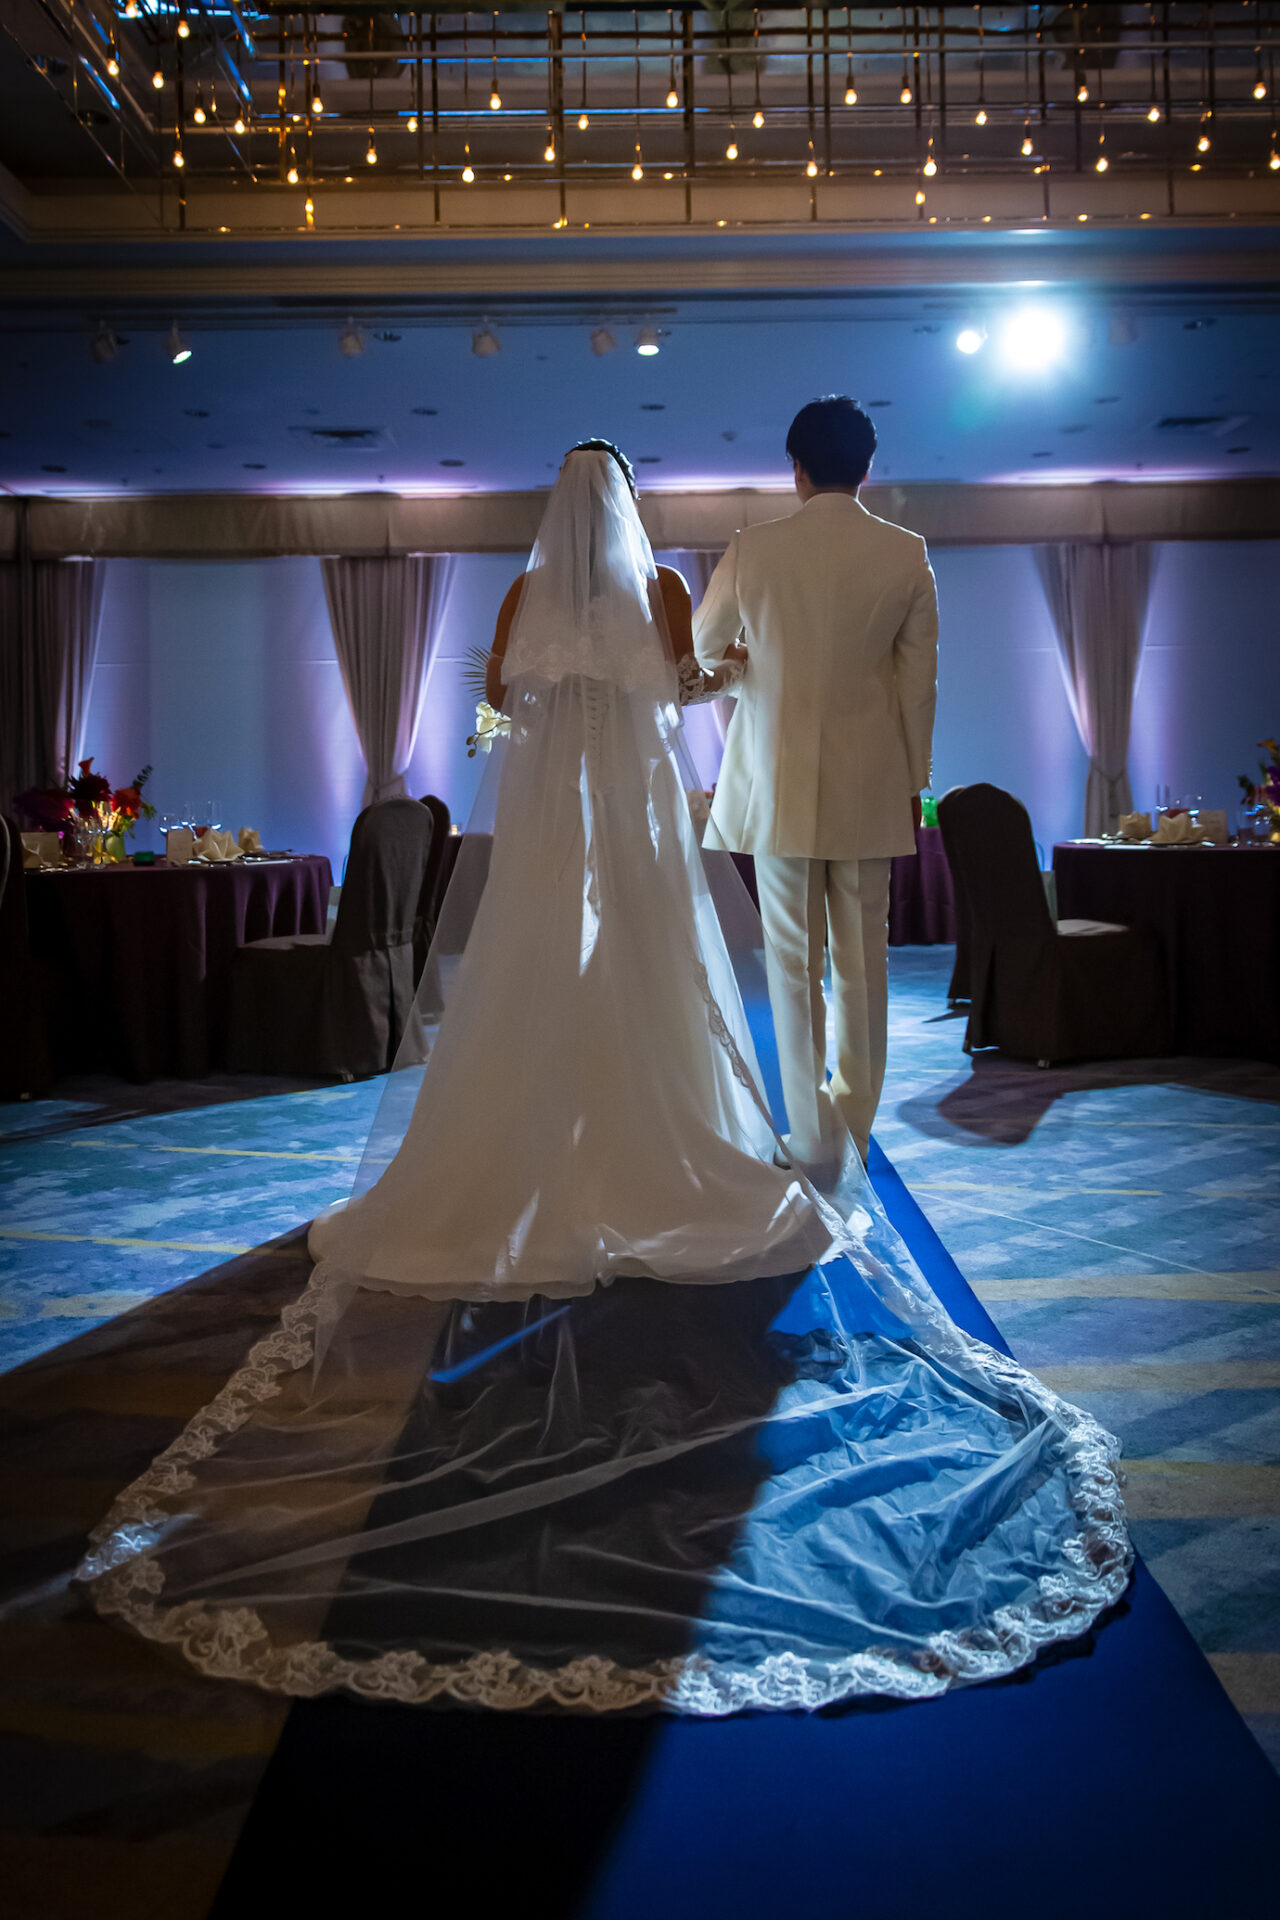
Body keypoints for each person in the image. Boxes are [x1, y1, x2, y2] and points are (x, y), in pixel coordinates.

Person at [79, 442, 1128, 1717]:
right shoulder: (668, 593)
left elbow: (498, 714)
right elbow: (682, 699)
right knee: (656, 987)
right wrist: (676, 701)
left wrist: (534, 733)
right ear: (628, 508)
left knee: (525, 996)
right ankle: (653, 1147)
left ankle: (526, 1159)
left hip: (543, 837)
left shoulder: (523, 597)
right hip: (634, 829)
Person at [694, 396, 938, 1167]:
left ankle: (807, 1134)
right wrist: (914, 780)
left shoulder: (753, 548)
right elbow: (919, 687)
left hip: (776, 782)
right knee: (865, 964)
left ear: (795, 469)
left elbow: (703, 650)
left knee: (792, 965)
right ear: (867, 468)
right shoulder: (906, 553)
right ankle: (854, 1126)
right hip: (872, 785)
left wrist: (750, 668)